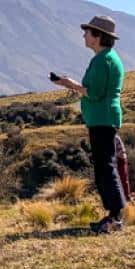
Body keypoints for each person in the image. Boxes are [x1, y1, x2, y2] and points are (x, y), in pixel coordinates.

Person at [52, 15, 125, 234]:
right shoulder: (105, 58)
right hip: (101, 118)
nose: (84, 35)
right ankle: (112, 216)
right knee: (103, 166)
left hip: (103, 118)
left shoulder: (105, 60)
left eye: (88, 32)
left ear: (98, 36)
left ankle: (115, 216)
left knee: (106, 167)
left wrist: (70, 84)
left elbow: (94, 93)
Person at [114, 133, 131, 201]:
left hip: (120, 158)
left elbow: (114, 150)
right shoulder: (115, 136)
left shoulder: (114, 137)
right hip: (120, 158)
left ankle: (126, 196)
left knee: (122, 178)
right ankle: (125, 196)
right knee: (123, 178)